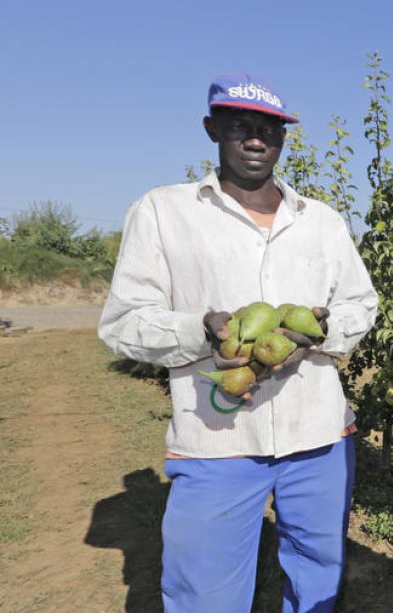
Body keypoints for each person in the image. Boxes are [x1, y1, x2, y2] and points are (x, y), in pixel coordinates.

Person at [98, 73, 378, 612]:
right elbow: (124, 322)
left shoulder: (321, 221)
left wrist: (313, 334)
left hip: (319, 436)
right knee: (206, 594)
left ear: (283, 140)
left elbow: (361, 305)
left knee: (319, 582)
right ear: (212, 130)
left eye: (269, 131)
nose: (256, 140)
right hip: (216, 440)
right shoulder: (164, 211)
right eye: (239, 127)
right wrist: (201, 333)